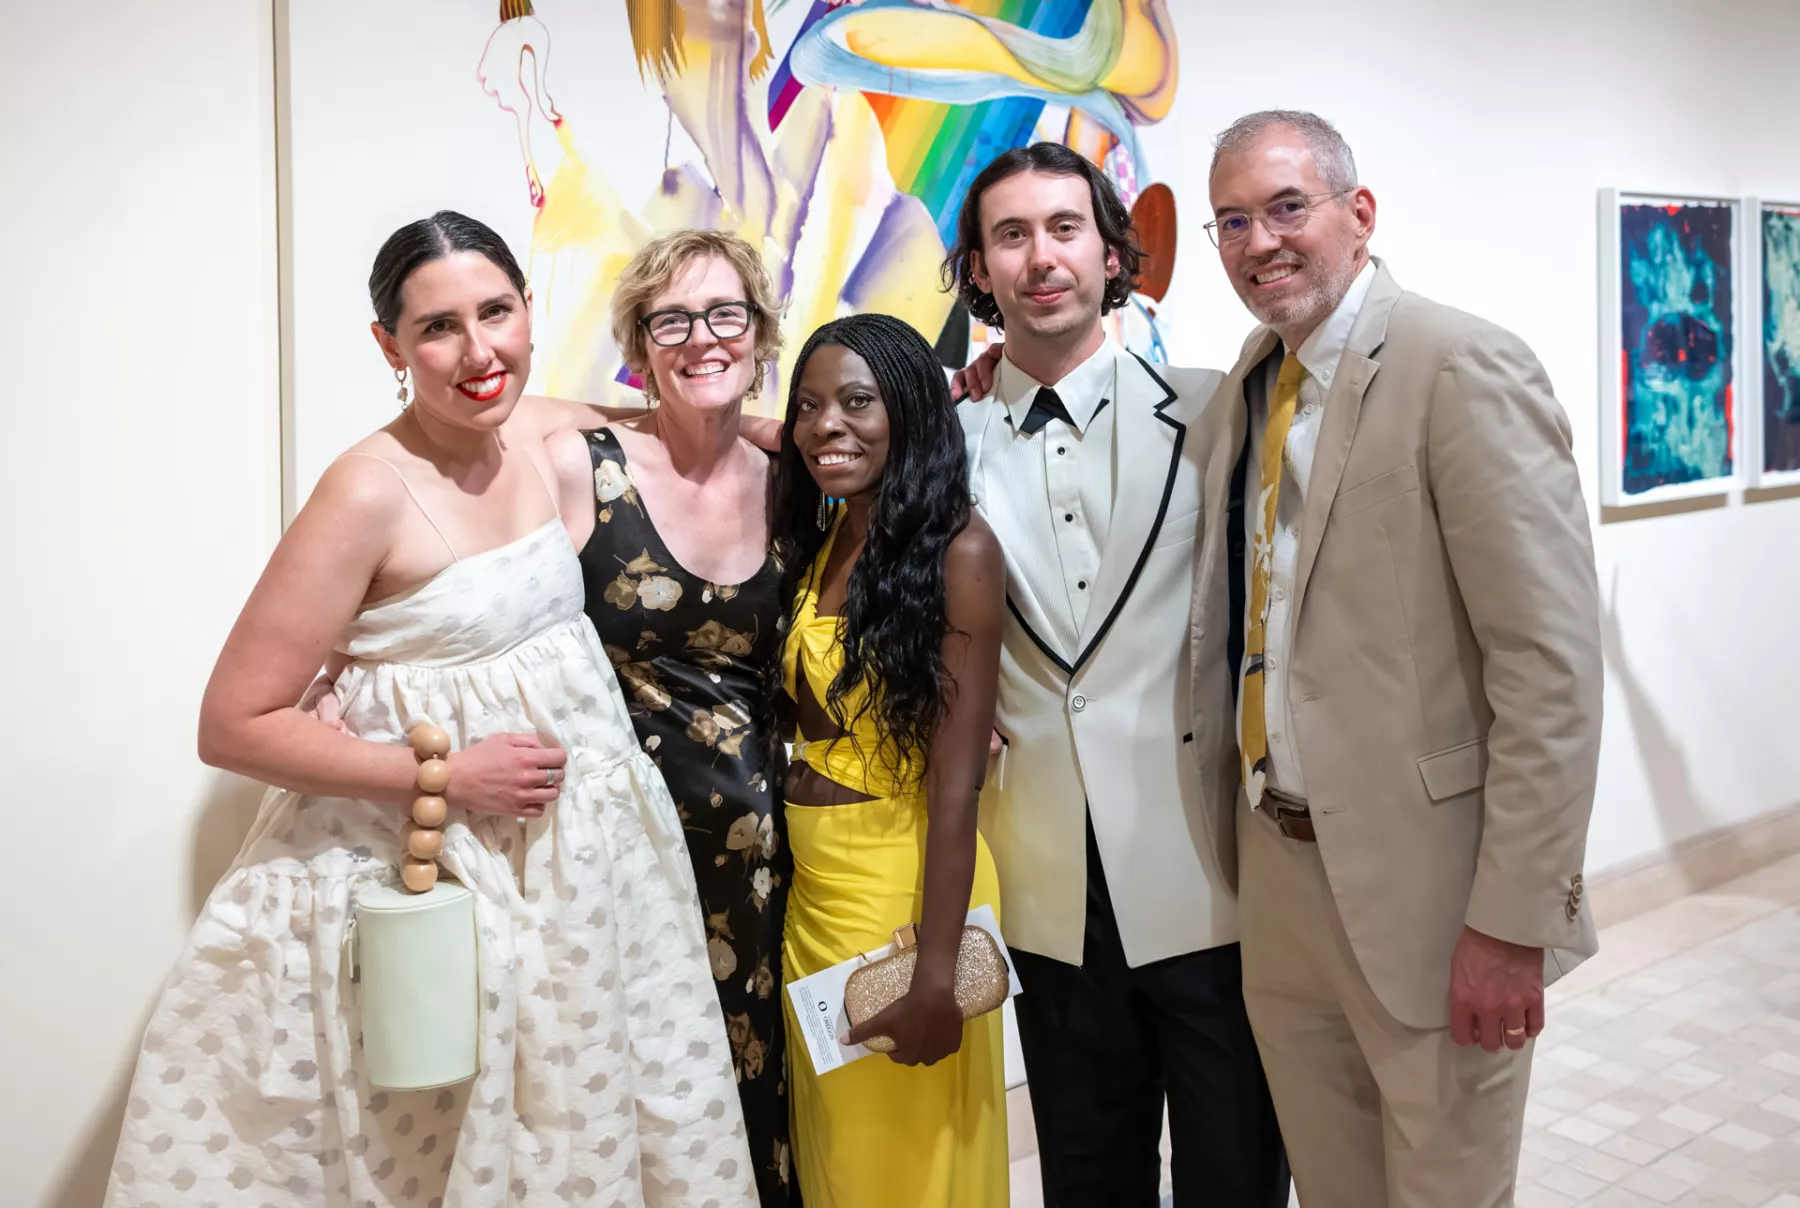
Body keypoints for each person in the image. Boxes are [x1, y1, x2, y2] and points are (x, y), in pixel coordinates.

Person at [106, 211, 754, 1207]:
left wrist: (788, 425)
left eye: (496, 310)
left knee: (599, 1117)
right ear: (391, 347)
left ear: (529, 310)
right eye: (439, 326)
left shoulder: (534, 429)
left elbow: (673, 416)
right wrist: (444, 771)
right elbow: (233, 721)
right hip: (451, 859)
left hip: (586, 860)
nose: (478, 348)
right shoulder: (366, 490)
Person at [1197, 110, 1603, 1207]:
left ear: (1358, 213)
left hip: (1431, 890)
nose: (1260, 241)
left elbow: (1550, 667)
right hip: (1280, 875)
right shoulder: (1249, 382)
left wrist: (1515, 922)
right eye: (1232, 221)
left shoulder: (1460, 364)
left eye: (1288, 207)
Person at [945, 142, 1289, 1205]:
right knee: (1089, 1178)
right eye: (1010, 235)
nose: (1039, 257)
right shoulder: (936, 443)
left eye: (1063, 228)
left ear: (1110, 255)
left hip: (1208, 866)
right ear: (979, 272)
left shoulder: (1220, 411)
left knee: (1238, 1170)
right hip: (1045, 880)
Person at [575, 229, 796, 1203]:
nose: (701, 337)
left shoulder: (802, 482)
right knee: (630, 1087)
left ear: (758, 334)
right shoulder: (583, 463)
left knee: (758, 1081)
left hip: (764, 852)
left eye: (724, 314)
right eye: (671, 318)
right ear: (640, 341)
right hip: (617, 843)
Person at [771, 312, 1009, 1206]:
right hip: (817, 889)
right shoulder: (833, 536)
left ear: (909, 410)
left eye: (857, 403)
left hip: (903, 891)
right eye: (807, 407)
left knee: (901, 1166)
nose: (826, 425)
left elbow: (958, 783)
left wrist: (938, 974)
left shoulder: (961, 550)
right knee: (840, 1157)